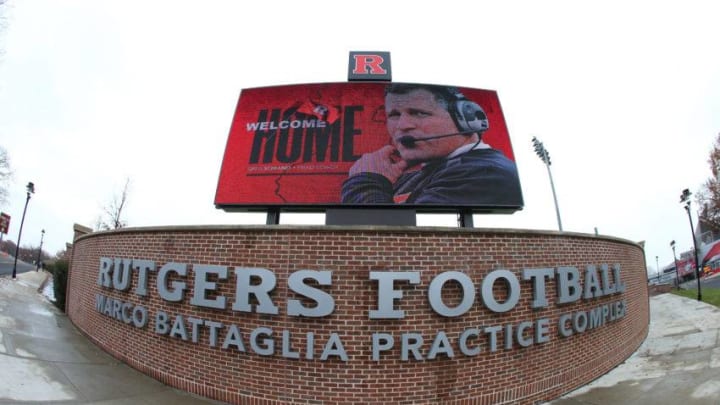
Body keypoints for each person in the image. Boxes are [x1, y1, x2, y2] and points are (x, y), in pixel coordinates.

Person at [341, 83, 522, 207]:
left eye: (419, 113)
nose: (402, 126)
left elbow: (387, 234)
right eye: (394, 115)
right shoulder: (413, 176)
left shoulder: (487, 174)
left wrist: (364, 181)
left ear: (466, 118)